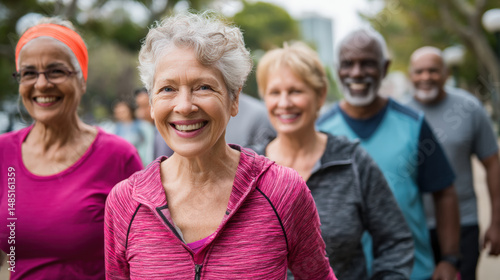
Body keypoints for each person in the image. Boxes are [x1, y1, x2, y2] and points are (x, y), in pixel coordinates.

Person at [104, 12, 336, 280]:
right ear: (152, 104)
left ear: (234, 98)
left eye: (203, 87)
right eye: (167, 89)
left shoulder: (282, 191)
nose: (184, 106)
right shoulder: (125, 203)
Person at [254, 41, 413, 279]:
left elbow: (395, 240)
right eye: (275, 92)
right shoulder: (247, 169)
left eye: (296, 91)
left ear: (320, 96)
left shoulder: (352, 161)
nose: (284, 103)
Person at [0, 17, 143, 279]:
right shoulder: (2, 153)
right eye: (29, 73)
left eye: (56, 71)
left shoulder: (118, 157)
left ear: (82, 80)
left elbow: (143, 258)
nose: (41, 84)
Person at [317, 28, 461, 280]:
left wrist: (449, 259)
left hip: (412, 272)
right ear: (336, 69)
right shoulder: (320, 130)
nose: (357, 72)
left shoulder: (413, 124)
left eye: (368, 63)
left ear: (385, 67)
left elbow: (445, 193)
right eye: (348, 64)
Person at [406, 46, 500, 279]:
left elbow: (492, 164)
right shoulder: (399, 115)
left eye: (433, 71)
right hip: (413, 228)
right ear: (410, 75)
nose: (426, 77)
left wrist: (497, 222)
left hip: (464, 224)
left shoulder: (470, 108)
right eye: (419, 72)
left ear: (446, 73)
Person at [134, 87, 174, 158]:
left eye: (145, 106)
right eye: (139, 106)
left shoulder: (165, 132)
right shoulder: (146, 129)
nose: (141, 113)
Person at [113, 99, 154, 165]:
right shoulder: (115, 129)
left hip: (143, 162)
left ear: (130, 111)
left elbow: (150, 143)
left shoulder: (143, 126)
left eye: (123, 112)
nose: (121, 115)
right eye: (118, 112)